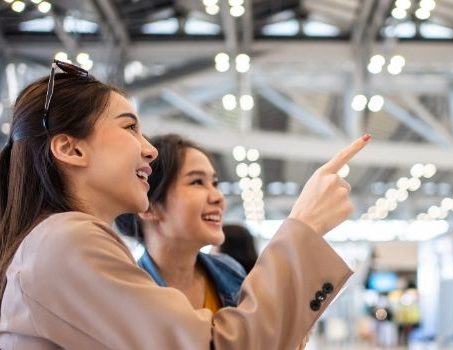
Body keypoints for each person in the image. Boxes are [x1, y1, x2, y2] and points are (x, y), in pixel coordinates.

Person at [0, 59, 371, 349]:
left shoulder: (59, 243)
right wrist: (303, 228)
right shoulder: (65, 240)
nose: (148, 149)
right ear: (71, 148)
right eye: (130, 128)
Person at [115, 134, 247, 311]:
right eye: (197, 182)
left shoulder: (230, 272)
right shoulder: (126, 295)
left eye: (214, 183)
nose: (218, 197)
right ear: (149, 207)